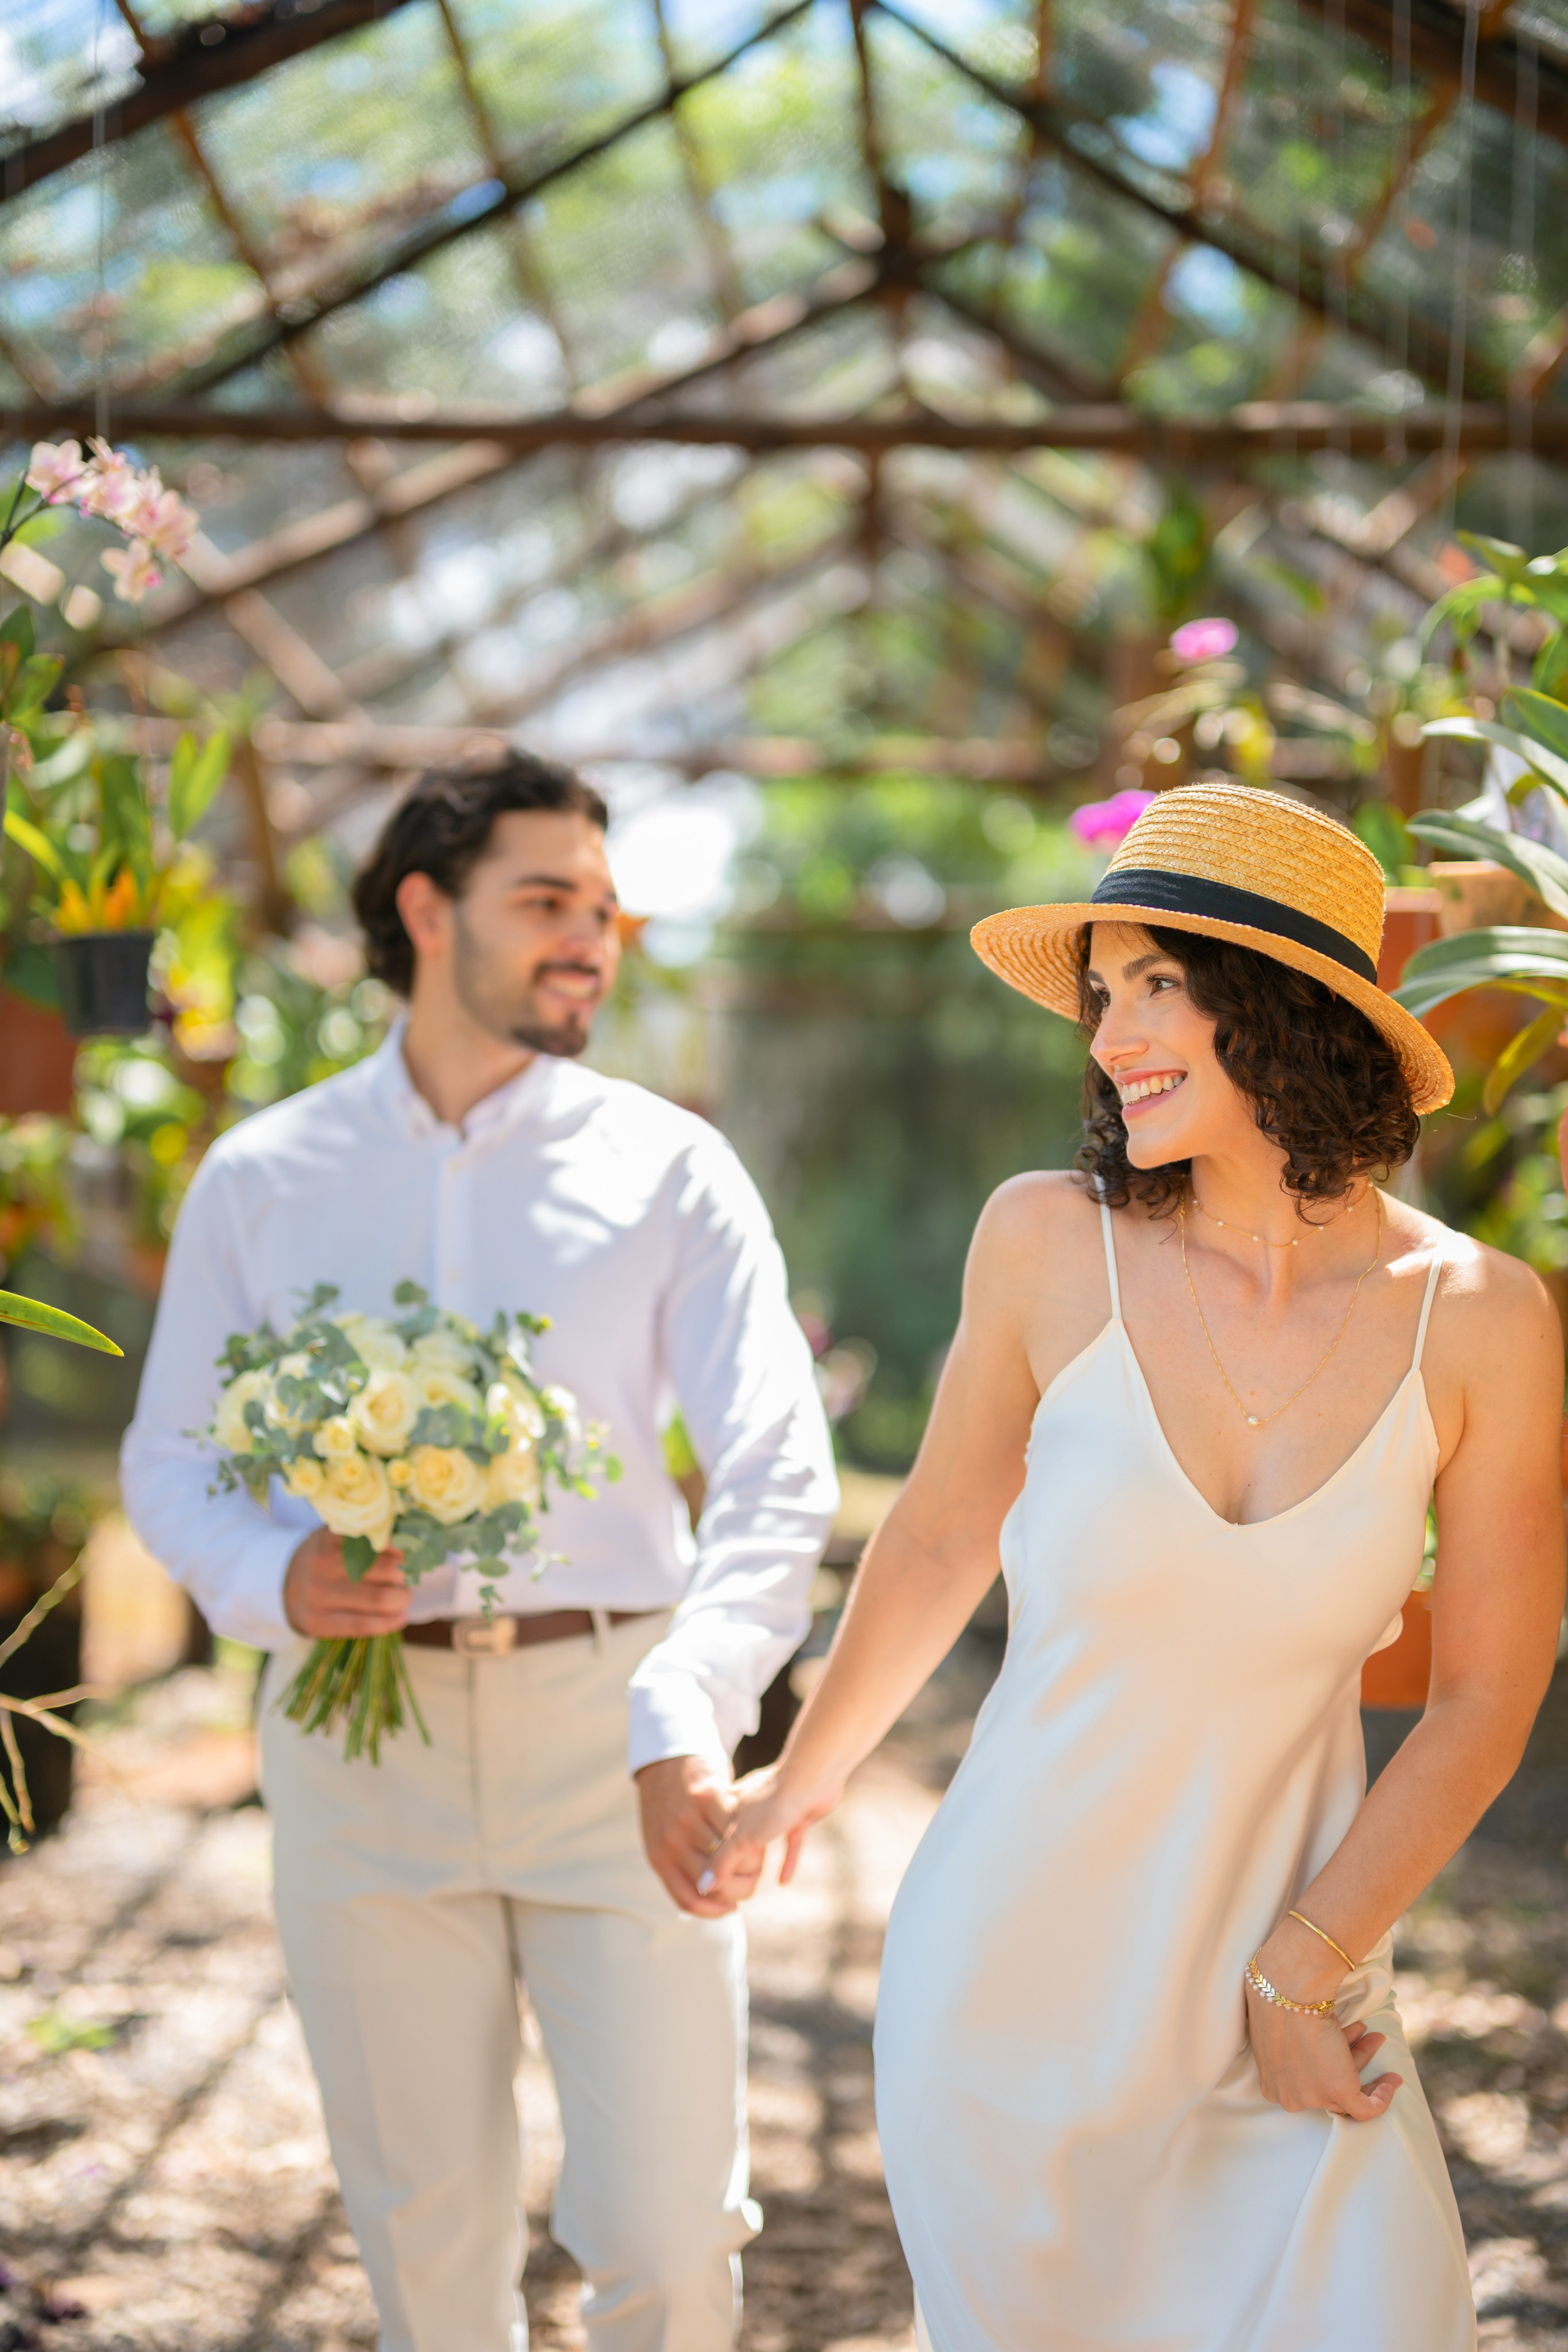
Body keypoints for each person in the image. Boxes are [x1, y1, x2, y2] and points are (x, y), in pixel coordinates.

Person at [699, 783, 1566, 2350]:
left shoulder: (1484, 1318)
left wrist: (1303, 1971)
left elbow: (1484, 1700)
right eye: (1102, 997)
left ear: (1284, 1005)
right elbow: (940, 1536)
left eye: (1155, 985)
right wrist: (796, 1788)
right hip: (1007, 1992)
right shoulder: (1043, 1240)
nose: (1108, 1037)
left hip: (1288, 1991)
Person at [121, 754, 837, 2352]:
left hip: (622, 1741)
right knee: (424, 2236)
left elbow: (780, 1475)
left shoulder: (672, 1169)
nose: (592, 939)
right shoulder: (263, 1177)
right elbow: (170, 1461)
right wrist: (270, 1581)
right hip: (352, 1746)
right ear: (426, 910)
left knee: (666, 2230)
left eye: (604, 909)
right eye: (547, 903)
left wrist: (693, 1703)